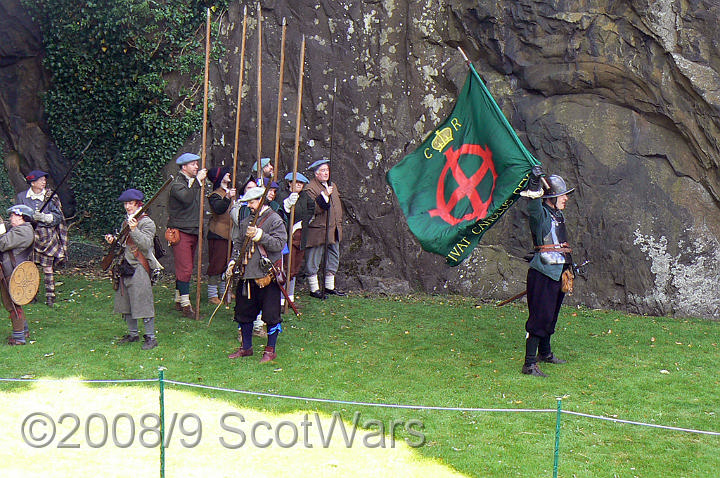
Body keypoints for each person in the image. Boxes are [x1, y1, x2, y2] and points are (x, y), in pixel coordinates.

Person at [522, 170, 575, 377]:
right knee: (540, 317)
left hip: (558, 270)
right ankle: (529, 364)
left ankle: (545, 353)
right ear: (551, 197)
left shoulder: (557, 214)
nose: (566, 198)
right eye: (562, 195)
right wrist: (535, 182)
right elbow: (533, 206)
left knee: (551, 315)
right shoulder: (541, 214)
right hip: (543, 272)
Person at [226, 186, 287, 363]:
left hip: (267, 277)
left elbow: (278, 244)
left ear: (261, 201)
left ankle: (270, 350)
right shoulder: (246, 222)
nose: (250, 206)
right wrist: (232, 262)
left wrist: (260, 236)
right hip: (247, 276)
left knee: (271, 315)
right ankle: (246, 348)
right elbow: (238, 244)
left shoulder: (275, 220)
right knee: (244, 313)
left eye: (252, 202)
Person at [105, 189, 161, 350]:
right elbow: (124, 244)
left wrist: (135, 230)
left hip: (140, 265)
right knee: (126, 301)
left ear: (138, 204)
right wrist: (113, 241)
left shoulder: (147, 223)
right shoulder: (126, 222)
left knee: (143, 301)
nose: (128, 206)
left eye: (131, 203)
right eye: (126, 203)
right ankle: (133, 333)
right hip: (125, 265)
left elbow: (145, 245)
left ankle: (151, 337)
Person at [15, 170, 68, 307]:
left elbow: (58, 217)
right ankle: (31, 295)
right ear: (33, 183)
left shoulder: (51, 196)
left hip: (48, 237)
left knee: (48, 267)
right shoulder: (22, 197)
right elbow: (18, 216)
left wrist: (45, 218)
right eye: (41, 180)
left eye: (45, 179)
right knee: (31, 267)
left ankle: (50, 296)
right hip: (30, 237)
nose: (44, 182)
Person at [167, 152, 207, 318]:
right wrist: (197, 182)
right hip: (181, 230)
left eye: (197, 164)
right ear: (184, 167)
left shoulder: (193, 183)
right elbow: (187, 199)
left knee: (185, 267)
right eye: (193, 164)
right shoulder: (178, 184)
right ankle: (185, 304)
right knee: (186, 268)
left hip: (192, 230)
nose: (196, 167)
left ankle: (178, 299)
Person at [304, 159, 345, 298]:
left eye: (327, 170)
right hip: (318, 230)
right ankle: (314, 289)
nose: (326, 173)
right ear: (316, 174)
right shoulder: (310, 188)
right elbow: (312, 209)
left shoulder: (332, 185)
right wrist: (324, 196)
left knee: (333, 257)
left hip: (334, 229)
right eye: (322, 170)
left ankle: (329, 287)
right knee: (313, 259)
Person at [276, 172, 313, 305]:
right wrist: (287, 206)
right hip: (287, 235)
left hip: (300, 235)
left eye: (301, 183)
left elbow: (311, 208)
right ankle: (281, 297)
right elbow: (279, 211)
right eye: (296, 182)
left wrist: (303, 222)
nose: (298, 185)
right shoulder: (282, 195)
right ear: (290, 183)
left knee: (295, 266)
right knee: (286, 265)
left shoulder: (304, 196)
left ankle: (290, 295)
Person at [1, 205, 35, 345]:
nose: (10, 218)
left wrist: (1, 227)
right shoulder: (21, 229)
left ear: (21, 217)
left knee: (12, 304)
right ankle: (23, 330)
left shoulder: (23, 231)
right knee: (13, 302)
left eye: (13, 216)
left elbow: (2, 243)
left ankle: (19, 337)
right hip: (12, 270)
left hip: (12, 272)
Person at [206, 167, 236, 305]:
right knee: (216, 265)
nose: (229, 173)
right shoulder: (215, 195)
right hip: (218, 234)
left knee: (227, 265)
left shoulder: (229, 192)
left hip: (230, 234)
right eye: (225, 173)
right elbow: (219, 209)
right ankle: (212, 294)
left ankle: (225, 292)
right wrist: (228, 198)